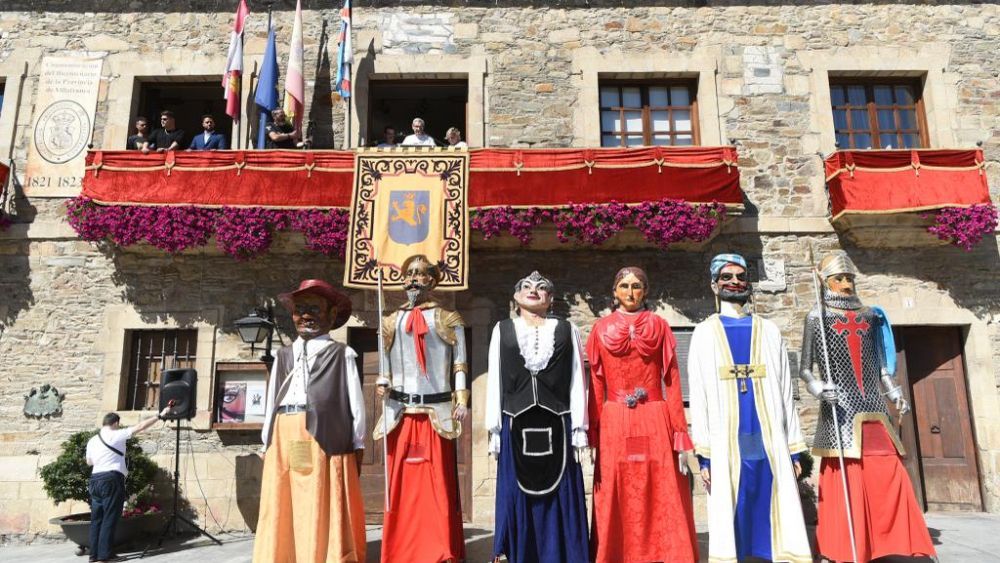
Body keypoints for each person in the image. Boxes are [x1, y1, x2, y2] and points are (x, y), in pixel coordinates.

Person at [800, 252, 935, 563]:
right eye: (839, 278)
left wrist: (894, 392)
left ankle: (892, 540)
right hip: (841, 409)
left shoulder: (870, 315)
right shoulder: (816, 317)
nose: (846, 284)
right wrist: (819, 388)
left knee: (889, 473)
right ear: (826, 282)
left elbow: (881, 366)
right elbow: (806, 368)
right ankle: (847, 545)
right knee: (849, 477)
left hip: (874, 408)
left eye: (850, 278)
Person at [688, 253, 812, 562]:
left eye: (740, 276)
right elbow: (699, 394)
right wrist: (703, 455)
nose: (734, 282)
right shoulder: (704, 333)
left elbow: (786, 388)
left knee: (772, 491)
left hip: (768, 433)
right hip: (726, 436)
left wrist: (796, 448)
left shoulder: (769, 331)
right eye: (727, 277)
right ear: (714, 285)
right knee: (734, 498)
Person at [587, 266, 698, 563]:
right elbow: (596, 383)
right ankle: (615, 553)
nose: (630, 292)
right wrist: (592, 430)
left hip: (654, 415)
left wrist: (680, 431)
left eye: (637, 286)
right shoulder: (601, 328)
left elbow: (672, 381)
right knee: (616, 483)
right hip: (615, 419)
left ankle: (665, 551)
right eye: (624, 286)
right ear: (615, 291)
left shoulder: (659, 326)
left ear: (646, 291)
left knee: (660, 483)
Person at [253, 279, 367, 563]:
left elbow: (356, 402)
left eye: (314, 308)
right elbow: (272, 401)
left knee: (320, 498)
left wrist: (358, 441)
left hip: (325, 433)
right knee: (285, 498)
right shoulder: (283, 355)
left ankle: (323, 555)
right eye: (300, 308)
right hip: (284, 429)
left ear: (330, 315)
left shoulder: (343, 354)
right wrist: (266, 439)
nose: (305, 315)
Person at [485, 271, 589, 563]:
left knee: (561, 491)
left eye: (542, 288)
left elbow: (577, 379)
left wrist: (580, 427)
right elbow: (495, 379)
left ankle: (564, 555)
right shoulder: (502, 329)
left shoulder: (567, 329)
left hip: (558, 421)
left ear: (551, 299)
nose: (534, 290)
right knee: (517, 492)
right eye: (526, 287)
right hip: (515, 422)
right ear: (515, 298)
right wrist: (494, 428)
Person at [375, 254, 467, 563]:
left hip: (437, 411)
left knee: (438, 483)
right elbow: (386, 362)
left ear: (432, 280)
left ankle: (440, 548)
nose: (414, 279)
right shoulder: (389, 320)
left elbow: (459, 363)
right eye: (409, 274)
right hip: (400, 411)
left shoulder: (448, 318)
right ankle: (400, 549)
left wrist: (463, 398)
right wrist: (383, 381)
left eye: (421, 274)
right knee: (400, 486)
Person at [85, 407, 170, 563]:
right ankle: (104, 556)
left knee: (97, 518)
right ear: (116, 423)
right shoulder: (117, 434)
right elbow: (140, 427)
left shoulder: (92, 440)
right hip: (111, 479)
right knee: (110, 517)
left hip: (95, 479)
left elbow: (89, 462)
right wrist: (160, 415)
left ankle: (94, 555)